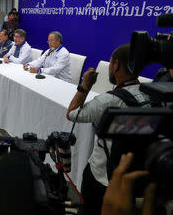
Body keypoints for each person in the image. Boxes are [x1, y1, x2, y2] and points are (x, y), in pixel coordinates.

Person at [66, 44, 150, 215]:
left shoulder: (107, 102)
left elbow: (72, 114)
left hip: (102, 176)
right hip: (136, 173)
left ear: (116, 65)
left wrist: (85, 85)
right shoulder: (153, 95)